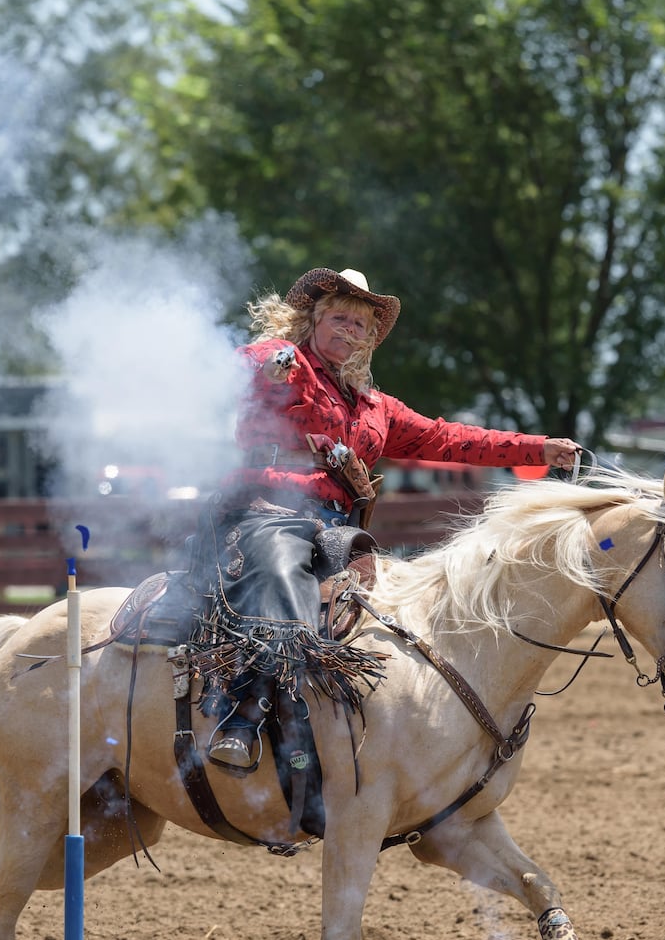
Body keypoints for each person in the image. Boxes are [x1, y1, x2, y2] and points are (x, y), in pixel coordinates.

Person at [196, 267, 581, 770]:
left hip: (339, 530)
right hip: (267, 513)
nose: (349, 332)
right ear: (312, 319)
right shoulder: (283, 362)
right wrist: (264, 367)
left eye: (361, 326)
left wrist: (539, 449)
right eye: (338, 318)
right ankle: (243, 713)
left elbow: (452, 439)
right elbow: (235, 368)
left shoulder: (378, 409)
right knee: (281, 572)